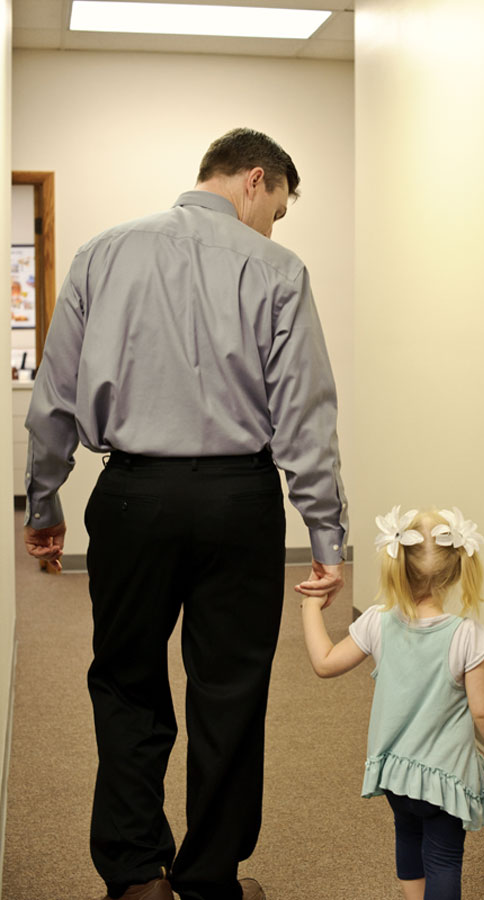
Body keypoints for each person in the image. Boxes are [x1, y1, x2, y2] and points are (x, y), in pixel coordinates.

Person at [23, 127, 347, 900]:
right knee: (230, 689)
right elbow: (304, 415)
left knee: (127, 680)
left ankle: (137, 875)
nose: (270, 225)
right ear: (254, 180)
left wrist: (44, 501)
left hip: (132, 497)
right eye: (275, 209)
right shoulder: (276, 268)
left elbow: (54, 398)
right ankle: (208, 879)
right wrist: (325, 533)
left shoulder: (102, 253)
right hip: (240, 502)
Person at [299, 505, 484, 900]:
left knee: (408, 837)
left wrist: (309, 607)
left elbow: (325, 662)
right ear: (456, 571)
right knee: (444, 861)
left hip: (396, 774)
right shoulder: (466, 635)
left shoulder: (378, 621)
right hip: (444, 778)